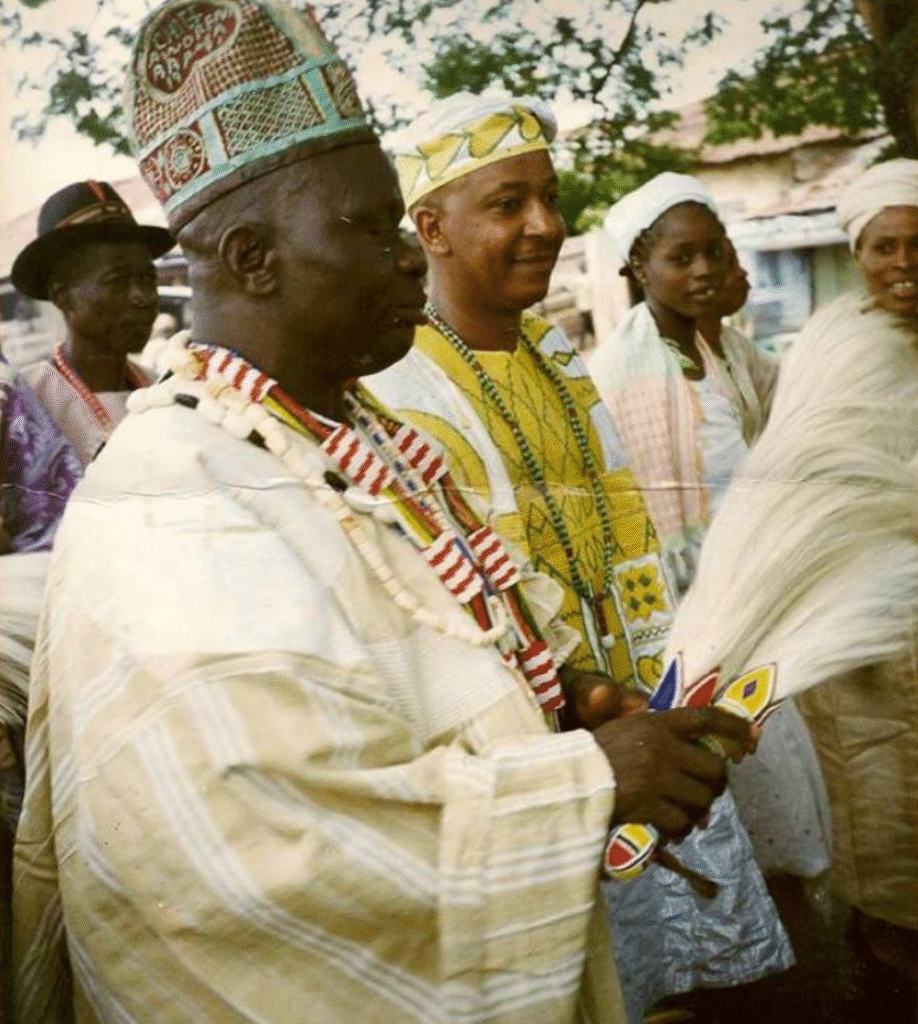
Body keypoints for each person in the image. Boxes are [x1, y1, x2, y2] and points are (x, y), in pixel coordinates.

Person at [12, 4, 754, 1023]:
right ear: (251, 259)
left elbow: (440, 637)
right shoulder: (172, 497)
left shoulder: (345, 433)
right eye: (369, 226)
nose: (411, 255)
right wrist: (583, 785)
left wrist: (565, 693)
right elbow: (261, 854)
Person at [366, 96, 791, 1023]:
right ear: (431, 227)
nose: (548, 226)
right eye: (510, 204)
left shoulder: (554, 352)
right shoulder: (395, 389)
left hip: (634, 709)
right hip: (537, 757)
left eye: (549, 198)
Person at [589, 174, 832, 890]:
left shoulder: (718, 352)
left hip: (755, 602)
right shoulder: (631, 379)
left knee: (783, 795)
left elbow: (790, 415)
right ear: (638, 270)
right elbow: (656, 538)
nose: (703, 272)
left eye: (715, 254)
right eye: (681, 257)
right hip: (702, 621)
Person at [793, 158, 918, 983]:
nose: (904, 265)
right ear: (856, 252)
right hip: (867, 616)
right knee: (883, 804)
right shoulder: (828, 348)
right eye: (884, 247)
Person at [11, 180, 174, 466]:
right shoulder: (24, 404)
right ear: (62, 297)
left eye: (148, 279)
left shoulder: (161, 389)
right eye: (116, 281)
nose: (142, 298)